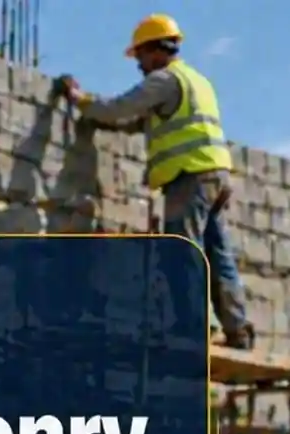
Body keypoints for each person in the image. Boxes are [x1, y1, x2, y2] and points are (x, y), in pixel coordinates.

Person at [56, 15, 254, 350]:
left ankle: (193, 327)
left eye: (141, 57)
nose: (139, 66)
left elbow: (121, 107)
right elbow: (138, 121)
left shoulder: (163, 80)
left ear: (155, 50)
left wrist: (80, 99)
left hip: (188, 176)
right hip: (216, 177)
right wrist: (102, 121)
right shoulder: (195, 80)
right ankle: (239, 330)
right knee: (218, 255)